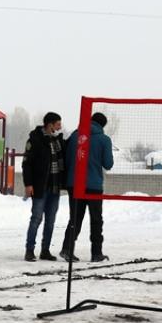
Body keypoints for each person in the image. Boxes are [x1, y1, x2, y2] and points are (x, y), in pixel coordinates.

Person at [59, 112, 114, 263]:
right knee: (96, 220)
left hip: (74, 184)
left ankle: (67, 249)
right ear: (102, 125)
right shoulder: (104, 139)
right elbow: (108, 164)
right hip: (94, 186)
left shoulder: (75, 136)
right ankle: (96, 253)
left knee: (75, 218)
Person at [21, 112, 66, 261]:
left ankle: (45, 250)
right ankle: (29, 250)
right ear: (50, 125)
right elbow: (26, 164)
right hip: (41, 187)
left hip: (55, 187)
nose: (60, 127)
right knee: (36, 219)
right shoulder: (35, 140)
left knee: (50, 221)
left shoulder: (58, 141)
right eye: (58, 124)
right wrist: (28, 184)